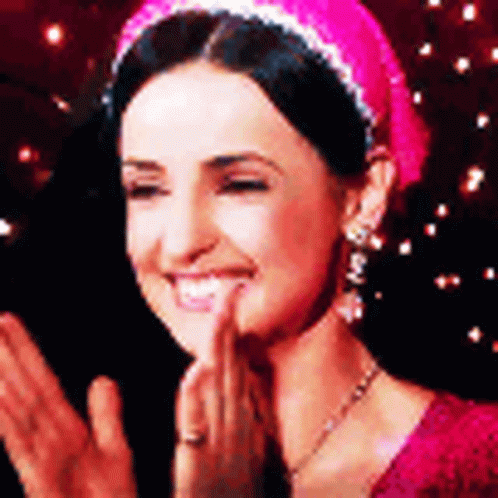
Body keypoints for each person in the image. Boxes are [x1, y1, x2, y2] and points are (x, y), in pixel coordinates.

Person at [1, 0, 498, 496]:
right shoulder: (131, 459)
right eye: (146, 189)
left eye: (240, 185)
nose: (180, 244)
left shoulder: (482, 466)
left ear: (364, 196)